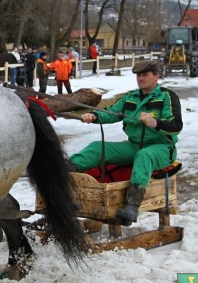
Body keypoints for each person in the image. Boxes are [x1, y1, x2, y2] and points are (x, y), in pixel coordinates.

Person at [69, 60, 182, 225]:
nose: (141, 78)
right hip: (133, 145)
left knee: (145, 155)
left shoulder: (166, 96)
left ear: (156, 76)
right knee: (96, 148)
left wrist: (155, 123)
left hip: (161, 148)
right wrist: (94, 116)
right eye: (138, 75)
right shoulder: (131, 97)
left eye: (145, 75)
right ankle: (65, 172)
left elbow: (176, 125)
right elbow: (111, 112)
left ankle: (132, 205)